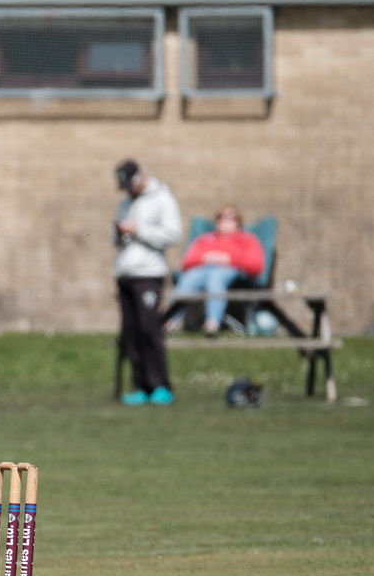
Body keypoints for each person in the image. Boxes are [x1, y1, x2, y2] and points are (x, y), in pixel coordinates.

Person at [112, 158, 183, 406]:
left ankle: (161, 386)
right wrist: (120, 233)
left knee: (149, 329)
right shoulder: (125, 203)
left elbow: (173, 233)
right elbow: (117, 238)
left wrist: (138, 230)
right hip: (126, 274)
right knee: (131, 332)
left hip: (149, 274)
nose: (128, 190)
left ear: (140, 176)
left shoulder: (162, 198)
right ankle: (140, 386)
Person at [166, 204, 265, 337]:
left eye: (231, 218)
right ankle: (170, 322)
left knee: (216, 277)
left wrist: (228, 260)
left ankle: (212, 324)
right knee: (189, 279)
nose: (225, 220)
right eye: (221, 217)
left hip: (231, 271)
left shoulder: (248, 240)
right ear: (216, 221)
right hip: (202, 269)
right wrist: (204, 258)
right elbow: (186, 263)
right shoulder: (204, 239)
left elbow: (256, 265)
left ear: (238, 222)